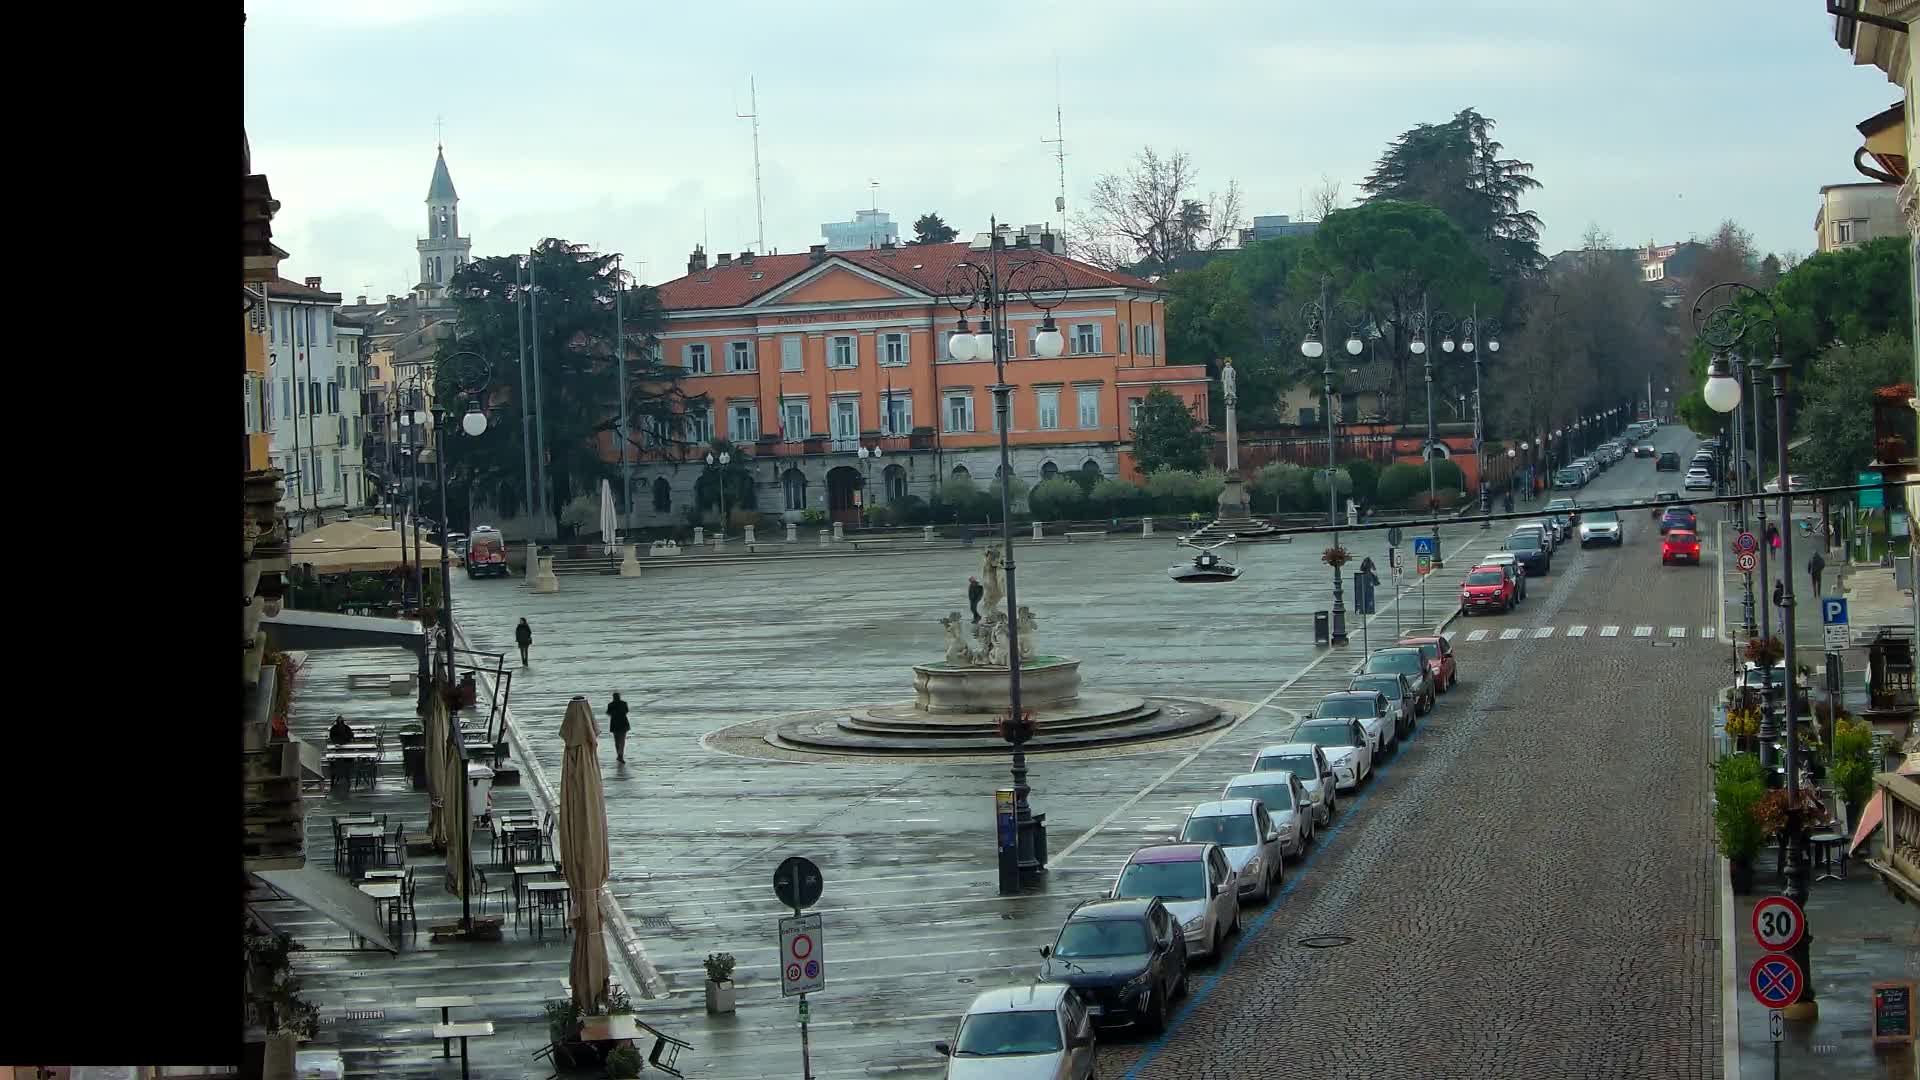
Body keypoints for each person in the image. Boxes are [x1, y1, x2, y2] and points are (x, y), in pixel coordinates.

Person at [606, 692, 630, 764]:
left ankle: (619, 755)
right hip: (623, 724)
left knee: (617, 741)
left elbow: (608, 713)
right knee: (622, 741)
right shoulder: (624, 703)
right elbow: (626, 711)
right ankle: (620, 755)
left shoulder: (610, 705)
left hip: (615, 724)